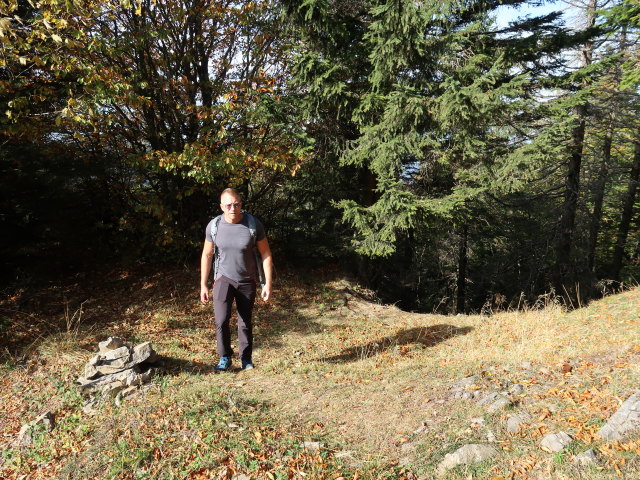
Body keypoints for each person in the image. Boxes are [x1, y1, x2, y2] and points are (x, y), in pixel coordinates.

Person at [200, 188, 273, 371]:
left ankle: (246, 358)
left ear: (241, 204)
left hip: (247, 280)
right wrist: (203, 284)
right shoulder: (214, 226)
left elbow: (265, 254)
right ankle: (225, 357)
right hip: (223, 278)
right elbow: (207, 255)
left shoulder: (253, 224)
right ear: (221, 206)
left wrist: (268, 283)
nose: (233, 208)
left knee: (245, 321)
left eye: (237, 204)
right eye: (229, 205)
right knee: (221, 319)